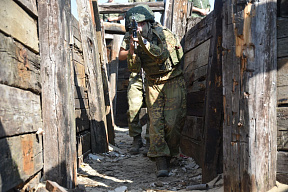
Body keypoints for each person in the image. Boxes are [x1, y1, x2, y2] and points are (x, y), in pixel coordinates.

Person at [119, 4, 187, 177]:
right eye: (135, 26)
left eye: (141, 24)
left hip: (172, 80)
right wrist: (133, 50)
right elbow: (134, 69)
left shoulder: (163, 33)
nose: (139, 28)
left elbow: (162, 56)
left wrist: (145, 44)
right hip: (152, 83)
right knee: (155, 123)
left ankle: (171, 153)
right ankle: (160, 160)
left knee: (172, 123)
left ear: (148, 23)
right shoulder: (130, 37)